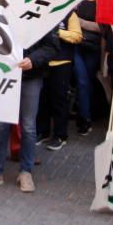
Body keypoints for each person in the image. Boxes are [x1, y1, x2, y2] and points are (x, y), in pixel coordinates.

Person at [0, 27, 59, 193]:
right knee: (2, 124)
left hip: (30, 76)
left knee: (28, 126)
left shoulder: (40, 10)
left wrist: (32, 60)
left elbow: (52, 46)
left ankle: (25, 171)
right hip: (6, 74)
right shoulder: (2, 5)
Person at [37, 13, 83, 150]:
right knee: (42, 99)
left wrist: (58, 32)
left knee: (59, 99)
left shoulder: (70, 14)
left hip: (62, 62)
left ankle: (60, 135)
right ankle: (43, 131)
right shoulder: (42, 12)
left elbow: (77, 36)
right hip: (43, 62)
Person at [72, 0, 101, 135]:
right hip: (77, 46)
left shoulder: (100, 2)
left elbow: (101, 27)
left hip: (92, 47)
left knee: (88, 82)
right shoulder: (78, 0)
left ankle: (86, 113)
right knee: (82, 81)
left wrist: (81, 23)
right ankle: (85, 118)